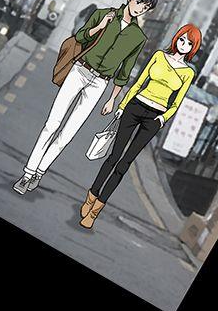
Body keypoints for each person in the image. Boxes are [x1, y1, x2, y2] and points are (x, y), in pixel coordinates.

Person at [13, 0, 159, 196]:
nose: (141, 9)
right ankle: (28, 174)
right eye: (139, 3)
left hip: (100, 84)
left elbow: (124, 72)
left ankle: (39, 172)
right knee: (52, 125)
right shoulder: (103, 14)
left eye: (146, 7)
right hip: (79, 71)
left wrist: (112, 99)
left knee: (68, 133)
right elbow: (81, 37)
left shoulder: (138, 37)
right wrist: (100, 26)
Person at [80, 24, 201, 228]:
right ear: (176, 39)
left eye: (189, 43)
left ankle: (96, 210)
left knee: (124, 164)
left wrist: (162, 119)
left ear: (193, 48)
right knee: (114, 156)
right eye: (182, 39)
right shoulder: (159, 56)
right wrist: (122, 106)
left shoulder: (188, 73)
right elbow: (138, 83)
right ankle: (91, 196)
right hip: (135, 106)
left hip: (154, 118)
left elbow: (176, 103)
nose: (183, 45)